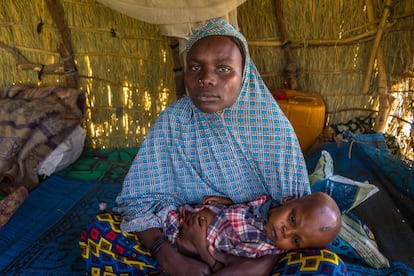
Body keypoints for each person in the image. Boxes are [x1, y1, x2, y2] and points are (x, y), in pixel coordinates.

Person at [80, 17, 335, 275]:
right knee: (100, 233)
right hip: (179, 235)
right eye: (195, 68)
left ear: (244, 74)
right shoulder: (173, 122)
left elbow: (295, 224)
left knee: (323, 266)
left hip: (256, 249)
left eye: (223, 68)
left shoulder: (270, 127)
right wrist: (169, 257)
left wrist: (257, 264)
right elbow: (138, 201)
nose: (206, 79)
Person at [168, 192, 342, 272]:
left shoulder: (263, 249)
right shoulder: (266, 204)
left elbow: (222, 264)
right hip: (188, 212)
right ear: (289, 200)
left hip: (185, 240)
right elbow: (244, 209)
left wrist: (199, 245)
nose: (286, 232)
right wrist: (226, 202)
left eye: (295, 240)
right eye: (292, 220)